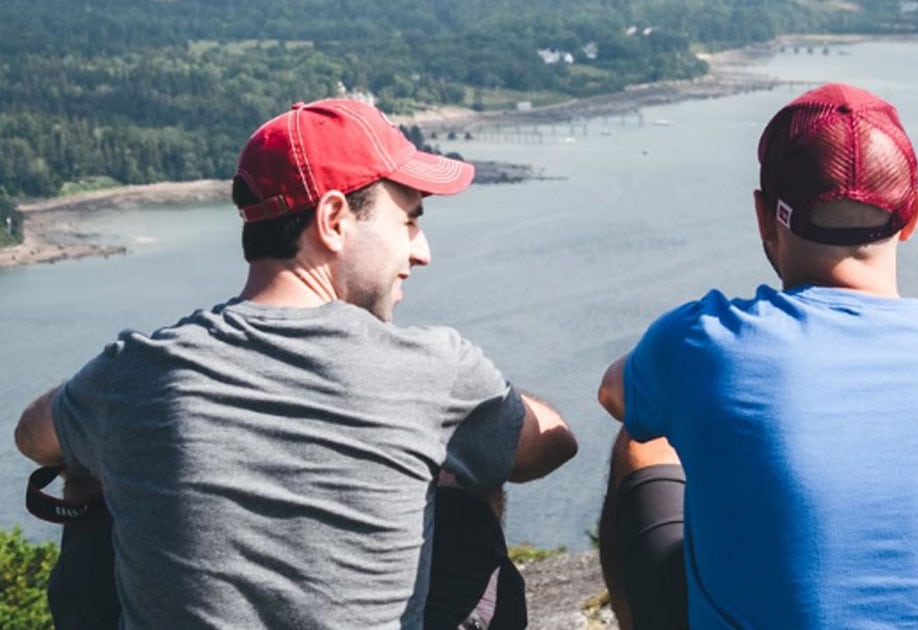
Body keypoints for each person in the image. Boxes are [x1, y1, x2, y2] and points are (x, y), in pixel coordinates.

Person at [14, 98, 578, 629]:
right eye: (409, 219)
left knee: (86, 469)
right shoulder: (436, 370)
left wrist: (123, 416)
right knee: (466, 479)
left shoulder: (135, 371)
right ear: (334, 218)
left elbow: (33, 437)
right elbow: (548, 447)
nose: (421, 250)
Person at [596, 83, 918, 628]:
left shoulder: (703, 344)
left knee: (645, 437)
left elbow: (613, 392)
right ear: (913, 216)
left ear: (764, 217)